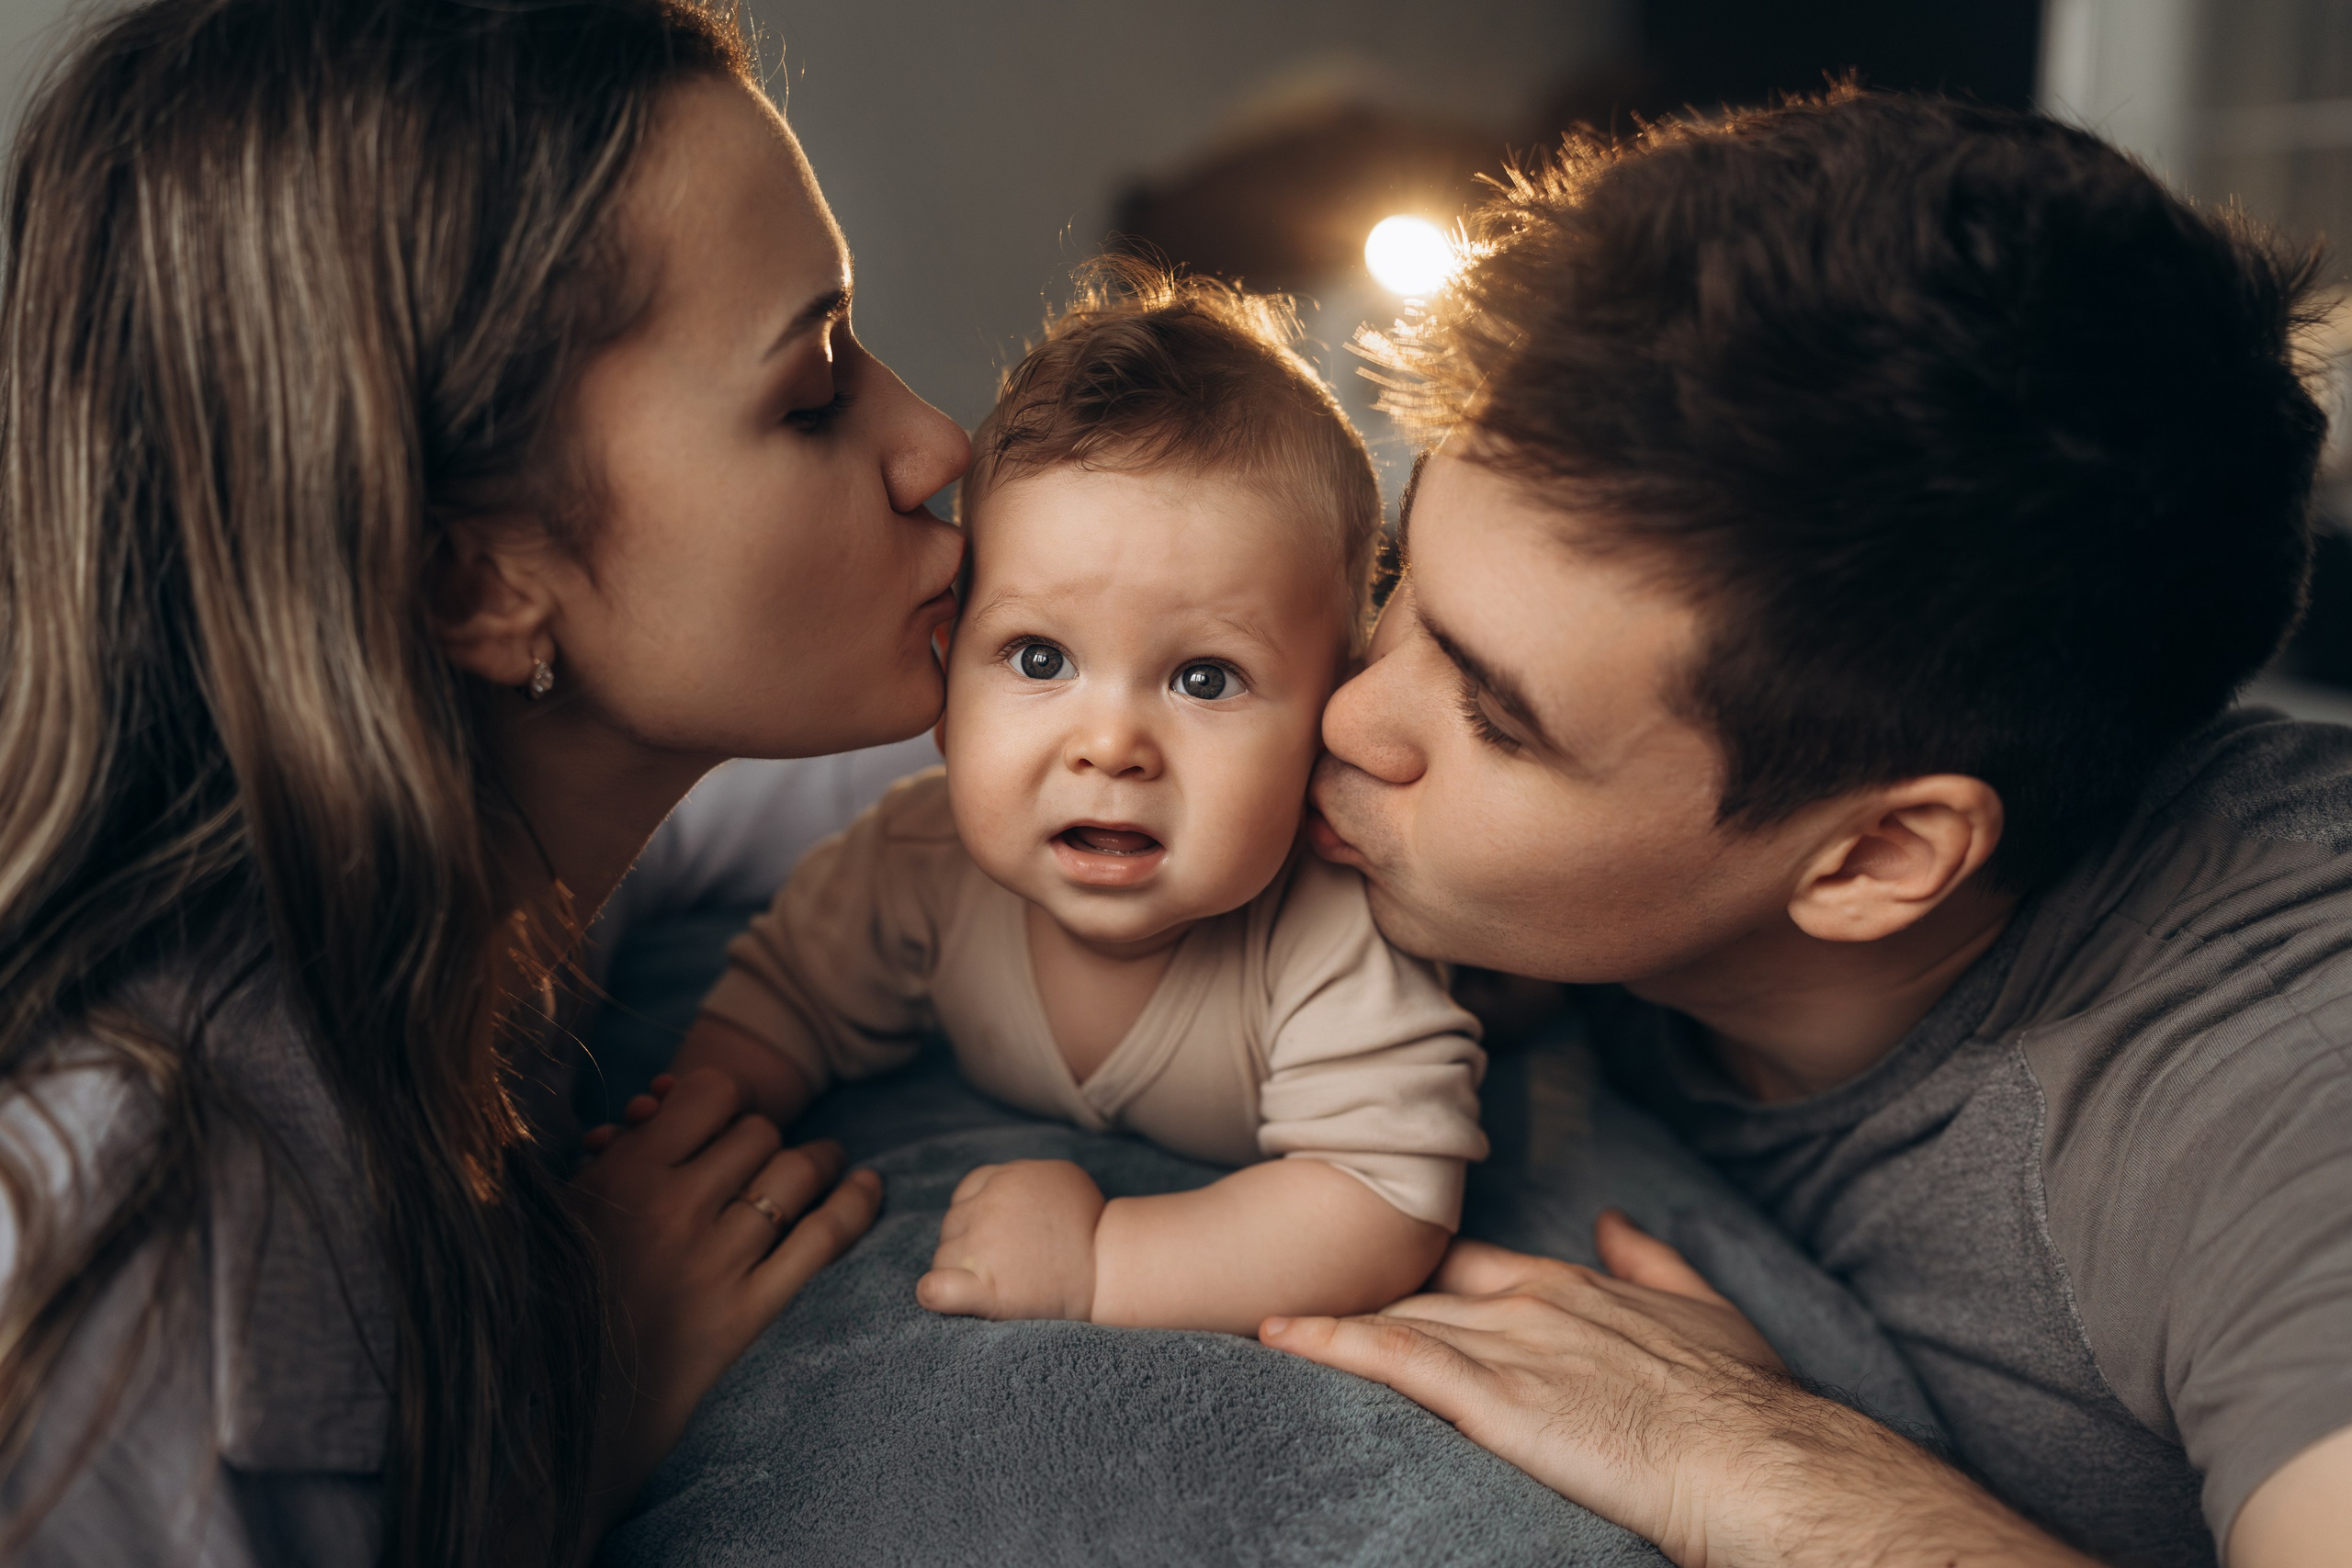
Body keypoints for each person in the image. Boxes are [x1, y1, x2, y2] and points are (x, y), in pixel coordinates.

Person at [1259, 90, 2352, 1567]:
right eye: (1404, 569)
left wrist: (1772, 1467)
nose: (1347, 716)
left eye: (1498, 716)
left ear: (1873, 859)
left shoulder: (2283, 1088)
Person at [0, 2, 969, 1562]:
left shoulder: (489, 845)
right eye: (813, 390)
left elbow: (956, 776)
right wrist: (552, 1453)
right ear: (472, 582)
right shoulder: (135, 1244)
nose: (940, 443)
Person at [670, 268, 1488, 1334]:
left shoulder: (1338, 934)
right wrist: (702, 1115)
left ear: (1329, 719)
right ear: (945, 691)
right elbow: (787, 1001)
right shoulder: (915, 861)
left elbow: (1382, 1203)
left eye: (1205, 678)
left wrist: (1106, 1262)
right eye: (1039, 656)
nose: (1109, 747)